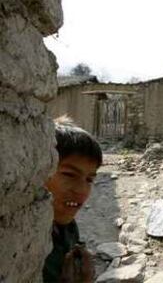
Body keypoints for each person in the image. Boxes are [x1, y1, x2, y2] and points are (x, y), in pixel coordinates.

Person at [43, 116, 102, 282]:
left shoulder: (68, 228)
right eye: (69, 174)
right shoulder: (20, 243)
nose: (82, 190)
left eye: (89, 179)